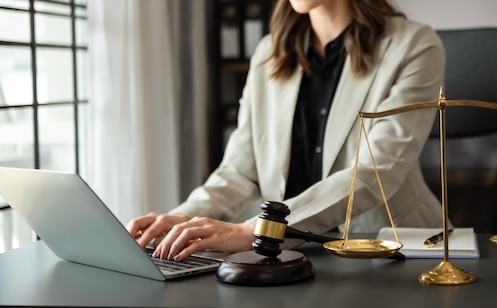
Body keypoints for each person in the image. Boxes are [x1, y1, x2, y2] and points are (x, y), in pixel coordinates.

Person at [127, 0, 445, 261]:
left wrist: (262, 229)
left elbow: (377, 171)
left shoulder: (414, 45)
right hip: (288, 254)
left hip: (385, 249)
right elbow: (239, 171)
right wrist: (184, 220)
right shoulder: (268, 51)